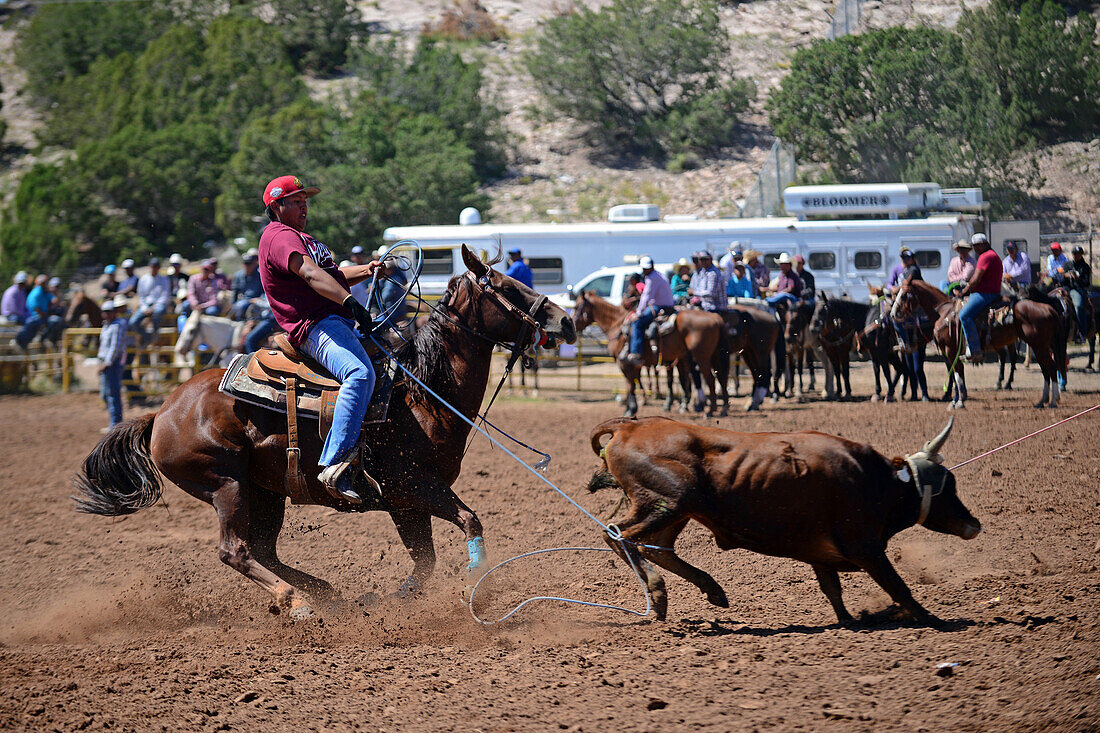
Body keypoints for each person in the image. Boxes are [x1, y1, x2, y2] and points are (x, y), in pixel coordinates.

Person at [258, 174, 384, 505]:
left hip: (334, 321)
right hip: (315, 325)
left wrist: (368, 270)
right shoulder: (279, 237)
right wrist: (350, 302)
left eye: (305, 201)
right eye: (296, 201)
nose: (304, 207)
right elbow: (312, 275)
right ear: (277, 206)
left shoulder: (300, 237)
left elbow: (331, 274)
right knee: (359, 373)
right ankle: (335, 463)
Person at [957, 233, 1003, 363]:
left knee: (964, 315)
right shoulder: (993, 255)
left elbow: (976, 279)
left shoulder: (985, 256)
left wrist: (964, 291)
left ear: (984, 244)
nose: (975, 249)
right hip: (992, 292)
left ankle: (974, 349)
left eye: (977, 246)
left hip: (984, 294)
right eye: (974, 246)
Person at [622, 256, 676, 366]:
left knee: (637, 322)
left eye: (646, 268)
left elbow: (646, 297)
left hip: (660, 306)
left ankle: (636, 353)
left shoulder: (652, 278)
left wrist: (638, 313)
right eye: (644, 268)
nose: (645, 271)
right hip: (665, 304)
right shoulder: (657, 275)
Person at [97, 299, 128, 428]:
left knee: (112, 394)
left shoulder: (116, 326)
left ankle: (115, 424)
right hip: (106, 362)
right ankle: (115, 423)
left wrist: (107, 363)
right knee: (107, 394)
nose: (107, 314)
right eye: (105, 311)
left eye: (109, 311)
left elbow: (115, 347)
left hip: (112, 364)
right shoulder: (107, 326)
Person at [14, 275, 65, 349]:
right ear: (39, 283)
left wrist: (56, 295)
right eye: (44, 282)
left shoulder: (45, 292)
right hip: (36, 316)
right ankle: (23, 340)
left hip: (43, 316)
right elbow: (33, 305)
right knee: (47, 321)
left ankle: (44, 339)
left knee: (57, 321)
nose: (45, 284)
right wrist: (42, 313)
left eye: (46, 282)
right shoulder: (37, 291)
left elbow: (55, 301)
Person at [131, 257, 172, 333]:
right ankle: (148, 337)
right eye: (153, 266)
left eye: (156, 266)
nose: (154, 268)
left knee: (158, 311)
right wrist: (145, 308)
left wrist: (153, 308)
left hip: (158, 306)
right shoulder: (143, 279)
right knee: (133, 322)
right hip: (146, 305)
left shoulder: (164, 280)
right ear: (150, 266)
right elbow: (141, 296)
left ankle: (154, 332)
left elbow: (165, 296)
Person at [1065, 245, 1093, 341]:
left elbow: (1086, 283)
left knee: (1079, 306)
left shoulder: (1085, 267)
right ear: (1072, 255)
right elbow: (1063, 279)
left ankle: (1082, 332)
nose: (1077, 256)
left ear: (1081, 255)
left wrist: (1077, 279)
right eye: (1075, 254)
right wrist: (1065, 276)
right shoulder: (1068, 265)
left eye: (1079, 254)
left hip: (1077, 290)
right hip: (1065, 289)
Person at [230, 251, 264, 320]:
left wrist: (259, 299)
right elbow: (235, 292)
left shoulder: (260, 276)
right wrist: (233, 304)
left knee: (242, 306)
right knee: (238, 306)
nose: (247, 266)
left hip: (256, 300)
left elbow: (264, 292)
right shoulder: (238, 275)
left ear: (254, 264)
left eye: (249, 263)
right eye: (245, 263)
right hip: (243, 300)